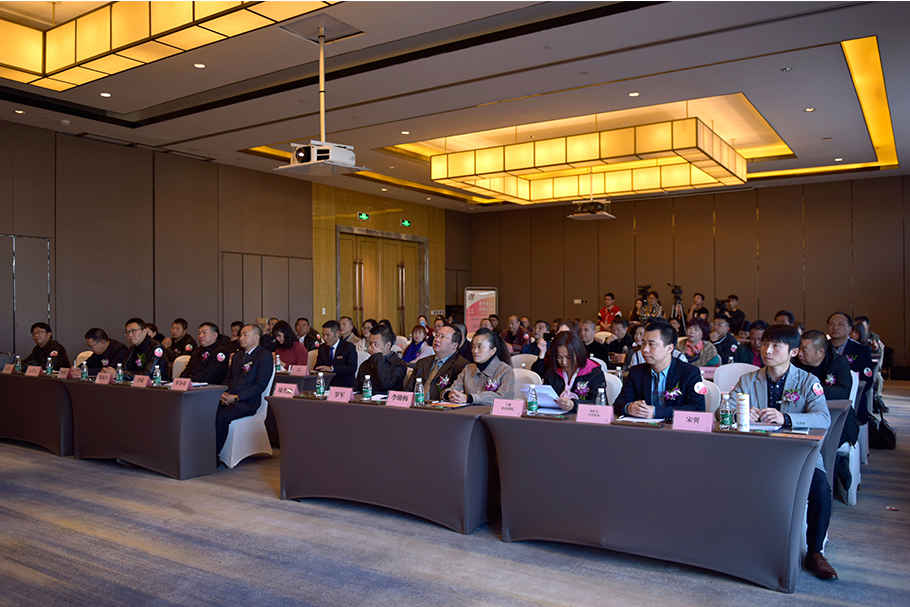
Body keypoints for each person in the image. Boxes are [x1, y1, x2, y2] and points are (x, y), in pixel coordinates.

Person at [729, 324, 836, 580]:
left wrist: (786, 418)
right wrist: (740, 414)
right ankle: (736, 545)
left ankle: (815, 552)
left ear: (794, 352)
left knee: (821, 490)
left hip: (796, 455)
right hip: (755, 455)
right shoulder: (748, 380)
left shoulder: (808, 381)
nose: (767, 350)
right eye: (765, 343)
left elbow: (823, 418)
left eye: (776, 345)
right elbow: (724, 411)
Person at [614, 320, 705, 419]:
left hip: (674, 427)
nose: (645, 349)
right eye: (643, 343)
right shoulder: (636, 372)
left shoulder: (690, 373)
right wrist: (629, 408)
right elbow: (618, 404)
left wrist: (656, 412)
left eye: (651, 344)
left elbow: (697, 409)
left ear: (669, 348)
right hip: (644, 427)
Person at [216, 324, 272, 455]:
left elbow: (260, 385)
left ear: (256, 337)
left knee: (221, 417)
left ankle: (214, 455)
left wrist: (236, 397)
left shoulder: (264, 356)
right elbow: (228, 378)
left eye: (245, 335)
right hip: (229, 398)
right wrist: (223, 393)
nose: (241, 338)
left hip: (247, 402)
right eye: (240, 335)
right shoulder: (237, 355)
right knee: (207, 412)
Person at [532, 331, 605, 413]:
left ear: (579, 353)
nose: (564, 362)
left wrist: (574, 405)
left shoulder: (593, 372)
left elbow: (600, 405)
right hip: (555, 417)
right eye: (559, 357)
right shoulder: (553, 372)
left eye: (568, 357)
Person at [827, 312, 874, 423]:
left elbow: (867, 380)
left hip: (852, 399)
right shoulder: (821, 348)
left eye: (840, 324)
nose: (835, 327)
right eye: (832, 324)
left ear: (849, 329)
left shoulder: (861, 350)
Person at [448, 328, 515, 405]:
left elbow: (504, 398)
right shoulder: (468, 369)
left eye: (480, 346)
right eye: (473, 346)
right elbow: (455, 388)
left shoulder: (505, 370)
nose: (475, 351)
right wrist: (451, 394)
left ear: (493, 351)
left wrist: (470, 398)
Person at [404, 325, 469, 401]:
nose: (437, 339)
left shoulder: (462, 366)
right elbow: (407, 391)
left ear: (455, 345)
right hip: (416, 405)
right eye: (437, 335)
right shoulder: (422, 362)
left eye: (443, 337)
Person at [355, 325, 408, 394]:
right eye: (370, 344)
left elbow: (387, 384)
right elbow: (357, 388)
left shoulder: (399, 364)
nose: (370, 348)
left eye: (375, 344)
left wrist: (378, 357)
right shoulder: (367, 363)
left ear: (388, 345)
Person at [315, 320, 358, 388]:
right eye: (323, 334)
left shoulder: (348, 347)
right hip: (326, 384)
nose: (324, 338)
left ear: (337, 333)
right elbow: (318, 366)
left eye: (328, 335)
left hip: (344, 385)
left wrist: (332, 369)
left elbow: (352, 368)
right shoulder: (323, 348)